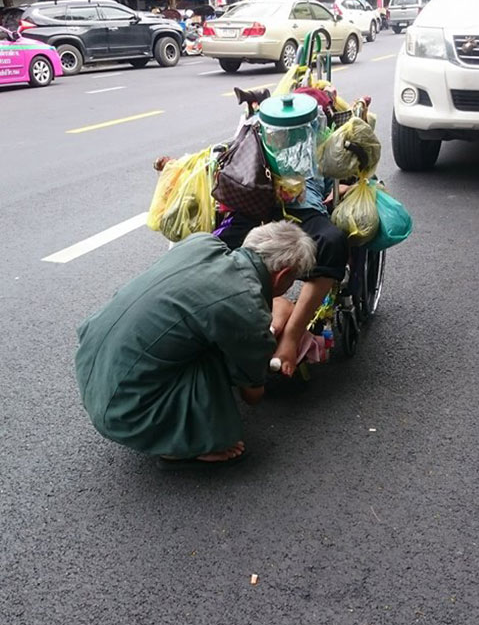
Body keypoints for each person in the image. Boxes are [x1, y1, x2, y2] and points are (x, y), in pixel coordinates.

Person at [75, 223, 316, 468]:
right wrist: (267, 347)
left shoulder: (201, 243)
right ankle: (187, 447)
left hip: (92, 371)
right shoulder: (246, 307)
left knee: (201, 334)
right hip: (126, 414)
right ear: (283, 275)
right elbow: (252, 395)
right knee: (218, 357)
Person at [215, 174, 349, 378]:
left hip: (305, 206)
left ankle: (291, 335)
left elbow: (351, 173)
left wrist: (344, 188)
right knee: (220, 244)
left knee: (332, 243)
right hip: (254, 199)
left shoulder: (323, 154)